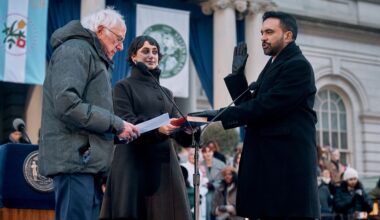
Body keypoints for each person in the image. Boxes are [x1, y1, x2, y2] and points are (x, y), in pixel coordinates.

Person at [191, 11, 319, 219]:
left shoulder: (298, 66)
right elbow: (252, 108)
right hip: (269, 167)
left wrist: (220, 114)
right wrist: (237, 77)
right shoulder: (273, 65)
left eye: (269, 32)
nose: (262, 37)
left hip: (286, 170)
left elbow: (266, 107)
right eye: (261, 32)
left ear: (288, 36)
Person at [39, 8, 139, 220]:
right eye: (119, 39)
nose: (121, 46)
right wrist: (116, 124)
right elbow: (67, 104)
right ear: (101, 31)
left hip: (86, 162)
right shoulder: (76, 50)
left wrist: (117, 127)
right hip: (75, 161)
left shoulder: (90, 54)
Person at [99, 35, 193, 220]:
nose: (151, 55)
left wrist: (188, 130)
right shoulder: (123, 87)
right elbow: (126, 122)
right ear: (134, 57)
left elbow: (175, 125)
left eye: (155, 51)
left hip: (165, 167)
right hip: (134, 166)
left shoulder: (167, 93)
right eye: (145, 51)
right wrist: (158, 130)